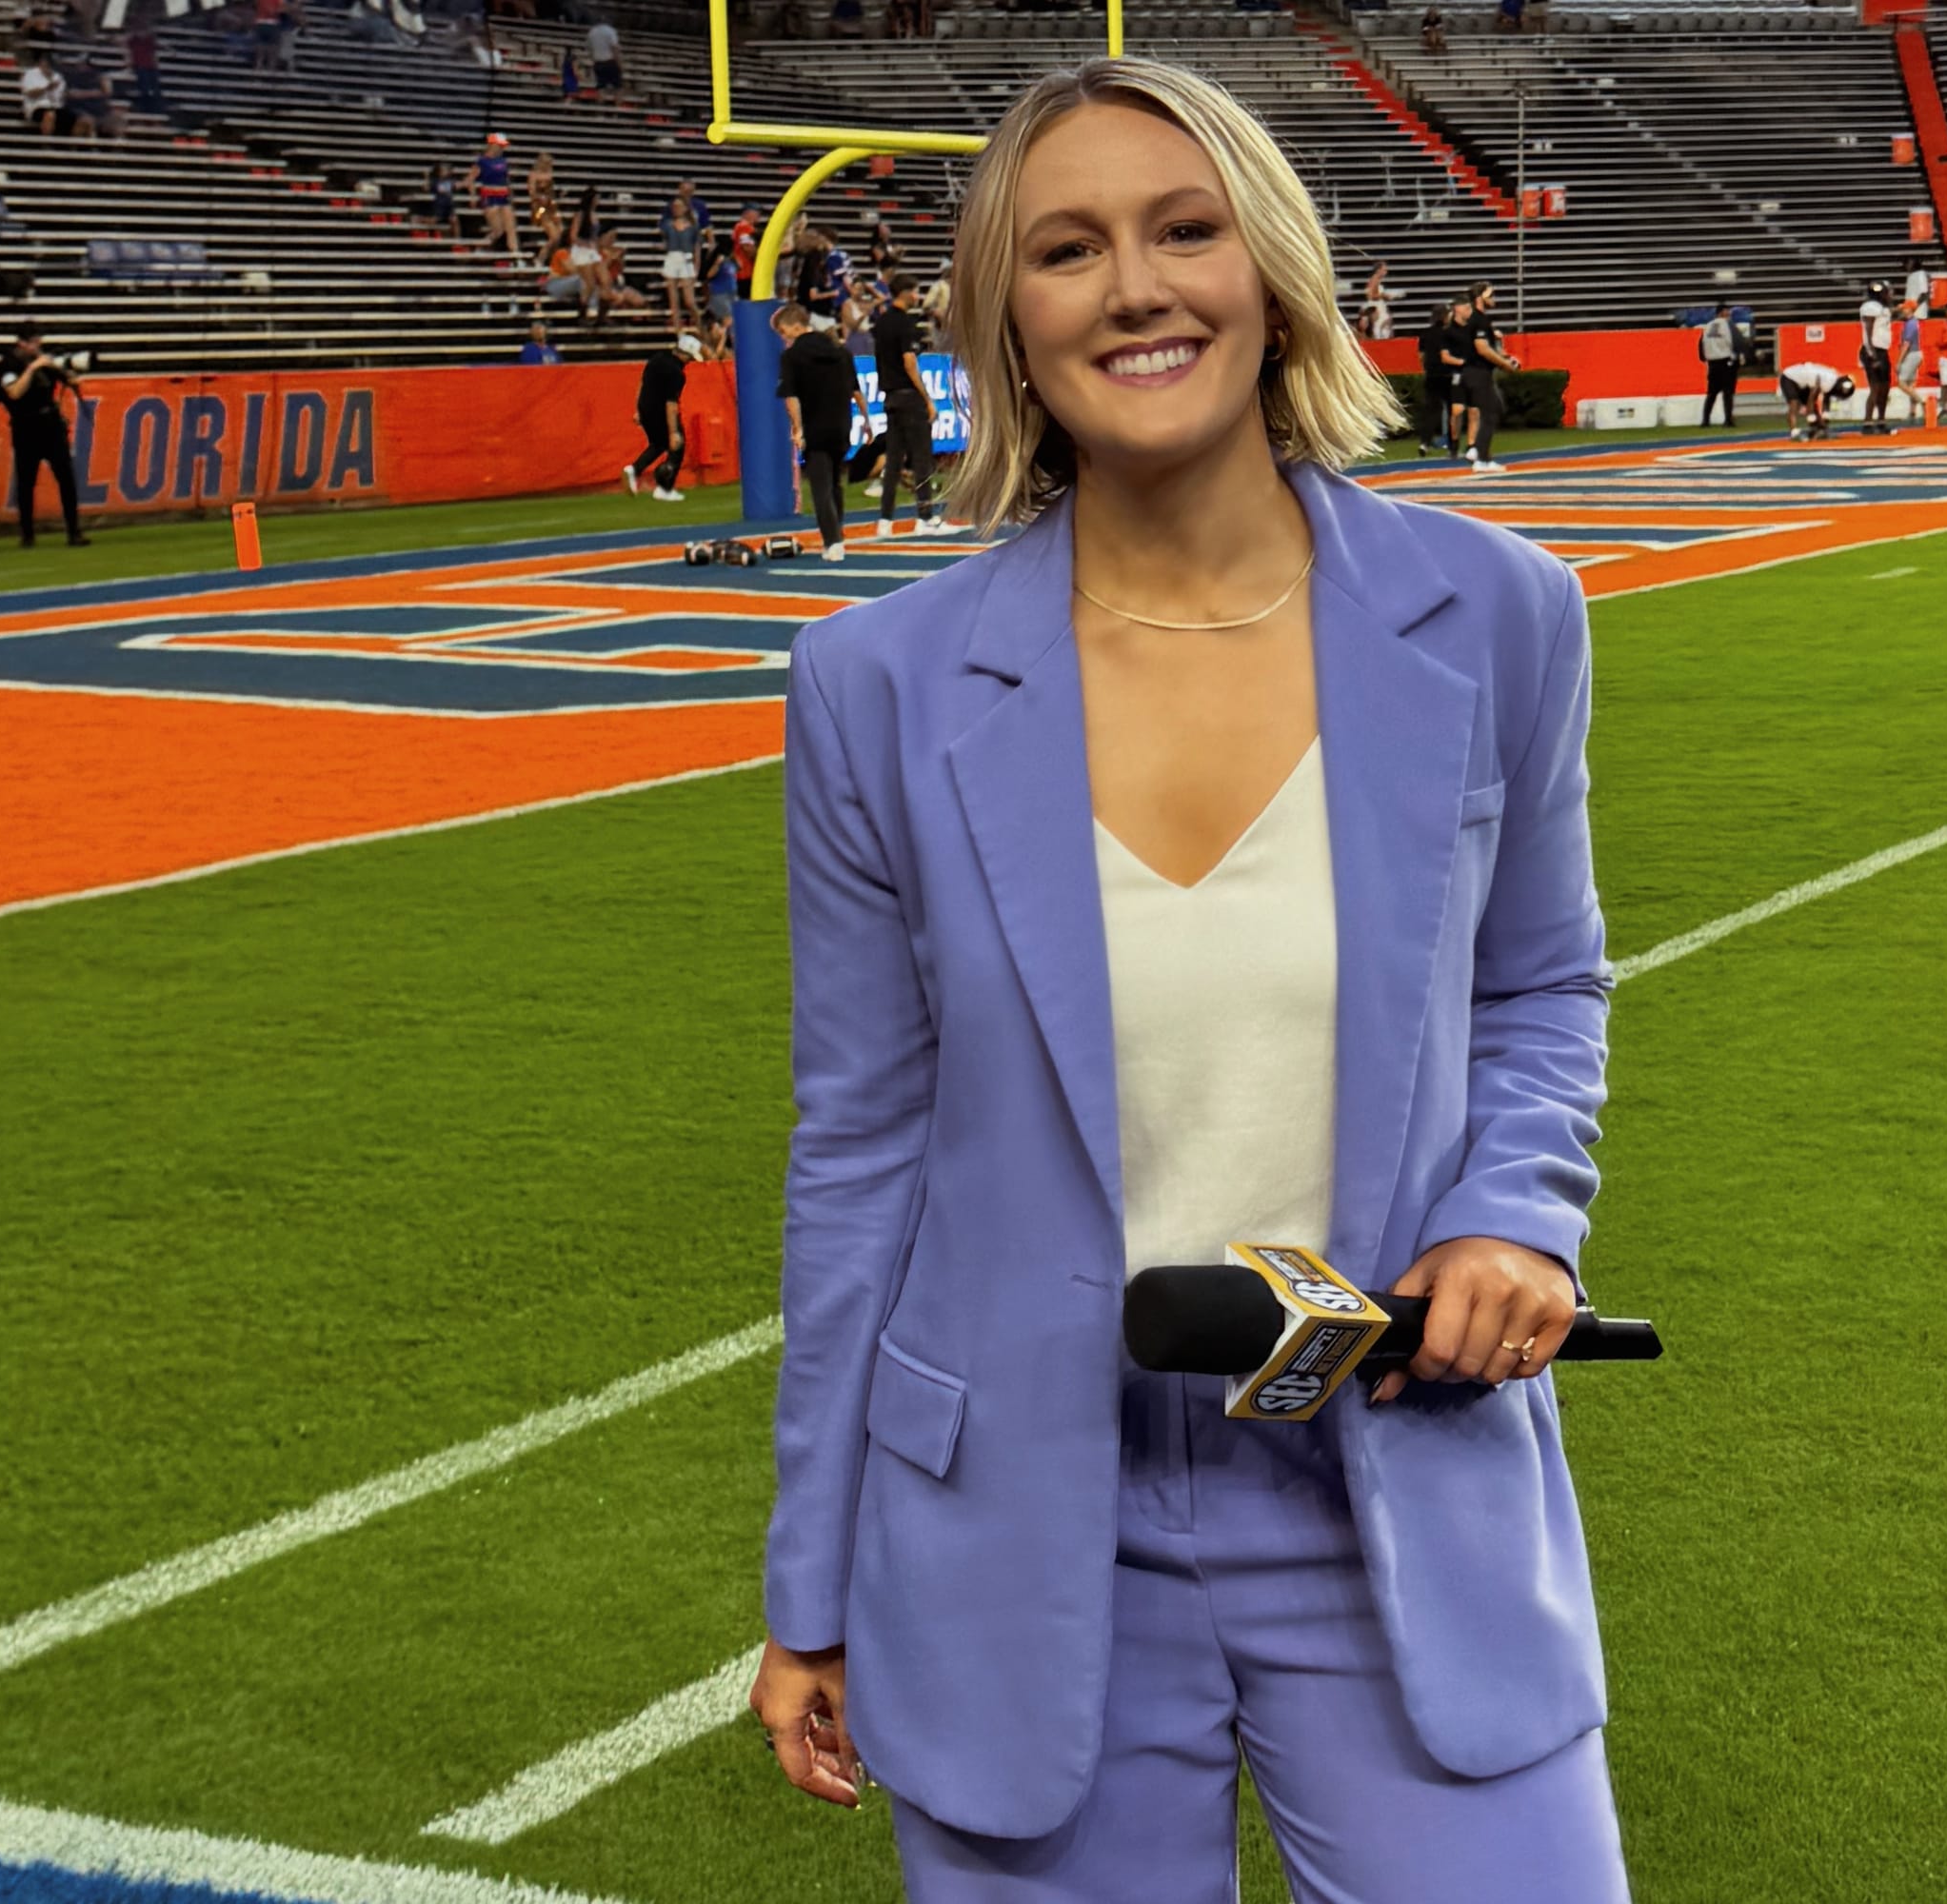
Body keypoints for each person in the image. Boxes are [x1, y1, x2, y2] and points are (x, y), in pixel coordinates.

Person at [750, 56, 1629, 1902]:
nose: (1134, 288)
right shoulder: (876, 686)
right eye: (1066, 250)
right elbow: (860, 1150)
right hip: (1018, 1514)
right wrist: (808, 1586)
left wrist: (1513, 1218)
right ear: (1008, 320)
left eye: (1184, 229)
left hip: (1395, 1464)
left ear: (1275, 273)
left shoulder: (1498, 614)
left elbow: (1541, 985)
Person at [771, 298, 865, 558]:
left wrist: (797, 428)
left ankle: (832, 542)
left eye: (783, 331)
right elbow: (856, 391)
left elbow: (791, 396)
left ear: (795, 326)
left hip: (815, 425)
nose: (783, 337)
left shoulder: (792, 356)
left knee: (821, 486)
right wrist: (867, 420)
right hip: (841, 423)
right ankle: (838, 533)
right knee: (835, 482)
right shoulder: (840, 350)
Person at [869, 274, 944, 536]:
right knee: (922, 457)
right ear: (905, 293)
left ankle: (885, 520)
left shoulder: (881, 322)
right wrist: (927, 398)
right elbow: (909, 362)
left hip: (890, 396)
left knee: (893, 460)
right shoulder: (904, 323)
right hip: (909, 396)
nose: (917, 296)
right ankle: (925, 516)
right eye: (914, 291)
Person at [0, 322, 88, 546]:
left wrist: (67, 369)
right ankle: (27, 534)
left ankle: (74, 531)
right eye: (33, 343)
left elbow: (71, 380)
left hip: (51, 425)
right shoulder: (9, 363)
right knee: (26, 481)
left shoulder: (44, 361)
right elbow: (14, 392)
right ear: (22, 343)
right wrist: (33, 368)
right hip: (26, 426)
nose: (37, 347)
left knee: (66, 478)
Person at [623, 327, 702, 501]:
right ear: (685, 354)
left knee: (658, 445)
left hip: (645, 409)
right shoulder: (677, 373)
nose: (690, 361)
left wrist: (638, 410)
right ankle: (665, 488)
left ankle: (634, 470)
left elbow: (643, 383)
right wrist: (673, 432)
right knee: (677, 446)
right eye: (690, 357)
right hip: (661, 413)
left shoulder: (657, 358)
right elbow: (671, 405)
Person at [1456, 280, 1518, 471]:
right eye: (1490, 295)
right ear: (1479, 298)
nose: (1494, 298)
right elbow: (1482, 349)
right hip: (1477, 372)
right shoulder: (1479, 319)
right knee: (1490, 412)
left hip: (1474, 372)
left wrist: (1505, 358)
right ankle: (1481, 458)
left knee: (1495, 407)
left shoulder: (1476, 320)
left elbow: (1487, 347)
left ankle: (1477, 450)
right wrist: (1504, 364)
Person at [465, 131, 517, 261]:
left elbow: (507, 179)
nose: (502, 148)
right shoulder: (482, 161)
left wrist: (511, 194)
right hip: (490, 195)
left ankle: (516, 257)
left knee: (511, 228)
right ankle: (480, 247)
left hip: (503, 195)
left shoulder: (503, 161)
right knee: (497, 230)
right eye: (500, 145)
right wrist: (472, 196)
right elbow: (470, 179)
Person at [1413, 294, 1455, 453]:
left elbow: (1421, 356)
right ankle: (1451, 443)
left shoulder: (1426, 333)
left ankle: (1424, 442)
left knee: (1430, 411)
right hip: (1447, 375)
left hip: (1431, 375)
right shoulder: (1449, 333)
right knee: (1453, 410)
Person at [1778, 360, 1855, 439]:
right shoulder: (1827, 382)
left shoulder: (1832, 380)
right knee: (1795, 403)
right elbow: (1811, 400)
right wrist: (1812, 420)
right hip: (1789, 377)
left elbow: (1826, 401)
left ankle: (1818, 428)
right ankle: (1794, 432)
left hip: (1804, 381)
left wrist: (1824, 422)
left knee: (1812, 405)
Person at [1857, 279, 1895, 433]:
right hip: (1873, 350)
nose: (1889, 295)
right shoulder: (1870, 307)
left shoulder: (1881, 308)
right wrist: (1872, 354)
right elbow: (1868, 331)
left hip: (1882, 350)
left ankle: (1881, 420)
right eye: (1886, 292)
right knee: (1876, 388)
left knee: (1885, 387)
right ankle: (1868, 422)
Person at [658, 188, 701, 326]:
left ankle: (700, 326)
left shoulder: (693, 226)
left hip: (686, 259)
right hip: (672, 258)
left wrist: (697, 266)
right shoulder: (667, 225)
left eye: (679, 206)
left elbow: (697, 247)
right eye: (674, 206)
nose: (676, 209)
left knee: (689, 301)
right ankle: (678, 330)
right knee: (673, 300)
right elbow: (666, 241)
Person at [1699, 301, 1738, 426]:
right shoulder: (1728, 325)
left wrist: (1705, 358)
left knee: (1712, 393)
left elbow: (1701, 344)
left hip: (1712, 363)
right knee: (1728, 392)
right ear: (1722, 313)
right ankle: (1728, 419)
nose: (1729, 314)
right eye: (1727, 311)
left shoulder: (1708, 326)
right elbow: (1734, 342)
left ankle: (1705, 420)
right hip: (1726, 360)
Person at [585, 16, 621, 99]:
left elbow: (589, 48)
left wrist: (593, 59)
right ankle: (618, 105)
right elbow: (614, 47)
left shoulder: (592, 32)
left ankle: (601, 103)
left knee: (601, 86)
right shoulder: (610, 31)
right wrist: (619, 62)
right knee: (617, 86)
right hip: (610, 61)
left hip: (598, 61)